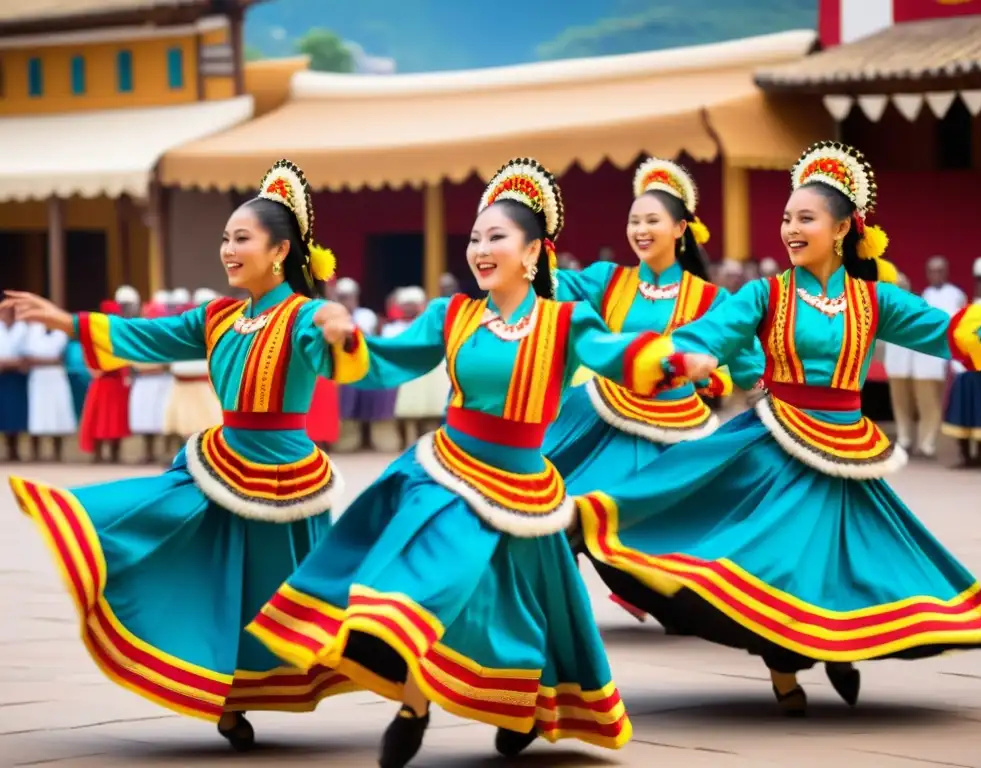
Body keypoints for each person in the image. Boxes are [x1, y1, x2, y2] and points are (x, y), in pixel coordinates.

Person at [245, 157, 697, 767]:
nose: (481, 250)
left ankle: (524, 708)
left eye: (496, 238)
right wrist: (345, 340)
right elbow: (388, 359)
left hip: (522, 485)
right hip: (447, 472)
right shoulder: (454, 315)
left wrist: (666, 361)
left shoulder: (565, 320)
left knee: (514, 615)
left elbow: (612, 352)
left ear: (533, 252)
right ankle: (413, 705)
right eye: (475, 239)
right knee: (422, 582)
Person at [574, 141, 981, 716]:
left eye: (805, 218)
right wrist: (692, 357)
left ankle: (835, 648)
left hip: (848, 444)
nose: (790, 228)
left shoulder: (873, 299)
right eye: (786, 218)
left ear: (840, 230)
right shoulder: (767, 292)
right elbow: (711, 334)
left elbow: (948, 331)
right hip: (779, 442)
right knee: (774, 558)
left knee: (850, 562)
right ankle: (784, 668)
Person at [2, 159, 354, 748]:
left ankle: (404, 671)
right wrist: (62, 320)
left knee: (285, 596)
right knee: (197, 566)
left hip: (286, 473)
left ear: (280, 250)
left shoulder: (303, 314)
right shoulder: (218, 317)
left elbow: (328, 324)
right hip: (225, 461)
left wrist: (339, 320)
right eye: (224, 238)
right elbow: (144, 337)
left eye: (242, 238)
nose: (228, 249)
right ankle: (219, 691)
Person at [541, 158, 763, 623]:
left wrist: (763, 394)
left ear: (680, 228)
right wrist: (526, 245)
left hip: (678, 427)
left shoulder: (711, 299)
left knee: (684, 519)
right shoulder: (609, 281)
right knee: (558, 503)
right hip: (603, 418)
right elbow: (553, 288)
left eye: (652, 221)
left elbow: (746, 362)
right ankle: (552, 603)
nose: (640, 230)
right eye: (634, 221)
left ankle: (682, 598)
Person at [942, 257, 981, 468]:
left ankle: (979, 456)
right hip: (967, 368)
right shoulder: (973, 308)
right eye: (980, 283)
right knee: (962, 412)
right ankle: (966, 456)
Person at [914, 256, 967, 458]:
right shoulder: (925, 294)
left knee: (938, 402)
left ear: (946, 272)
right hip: (924, 356)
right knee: (925, 402)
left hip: (944, 355)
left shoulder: (956, 294)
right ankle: (925, 441)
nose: (935, 275)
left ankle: (929, 443)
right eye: (931, 271)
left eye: (939, 270)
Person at [336, 277, 392, 451]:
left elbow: (364, 335)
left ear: (356, 297)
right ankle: (348, 442)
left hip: (365, 364)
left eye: (349, 296)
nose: (347, 301)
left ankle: (372, 439)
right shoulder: (330, 313)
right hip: (341, 367)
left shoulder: (366, 315)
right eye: (342, 297)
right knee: (346, 403)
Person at [163, 288, 222, 453]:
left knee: (208, 423)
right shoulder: (183, 324)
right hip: (182, 382)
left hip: (205, 383)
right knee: (183, 424)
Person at [391, 286, 449, 448]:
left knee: (433, 414)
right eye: (406, 305)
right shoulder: (397, 326)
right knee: (408, 413)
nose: (409, 308)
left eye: (413, 304)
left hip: (433, 371)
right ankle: (406, 445)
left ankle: (436, 447)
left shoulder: (433, 322)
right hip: (411, 371)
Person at [78, 299, 131, 464]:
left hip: (117, 382)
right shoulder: (96, 335)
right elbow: (90, 358)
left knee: (116, 419)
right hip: (101, 381)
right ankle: (98, 454)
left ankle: (115, 454)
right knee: (98, 419)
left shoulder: (122, 335)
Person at [129, 298, 175, 464]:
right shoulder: (139, 335)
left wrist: (158, 368)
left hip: (160, 381)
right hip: (143, 382)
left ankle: (167, 453)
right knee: (144, 417)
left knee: (162, 418)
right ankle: (148, 453)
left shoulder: (166, 335)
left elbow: (169, 361)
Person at [24, 320, 76, 462]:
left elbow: (63, 358)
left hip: (56, 376)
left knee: (58, 413)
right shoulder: (32, 329)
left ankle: (57, 454)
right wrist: (50, 360)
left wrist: (42, 360)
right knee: (37, 413)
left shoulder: (61, 331)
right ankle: (35, 454)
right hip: (38, 378)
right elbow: (28, 358)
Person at [883, 272, 918, 454]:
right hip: (895, 363)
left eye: (903, 285)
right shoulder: (887, 306)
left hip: (914, 364)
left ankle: (921, 441)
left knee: (916, 404)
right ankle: (904, 438)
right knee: (899, 404)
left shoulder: (915, 306)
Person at [0, 305, 29, 462]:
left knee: (15, 414)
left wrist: (13, 363)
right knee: (2, 413)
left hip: (17, 376)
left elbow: (28, 354)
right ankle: (5, 449)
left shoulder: (22, 328)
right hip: (1, 376)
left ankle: (14, 449)